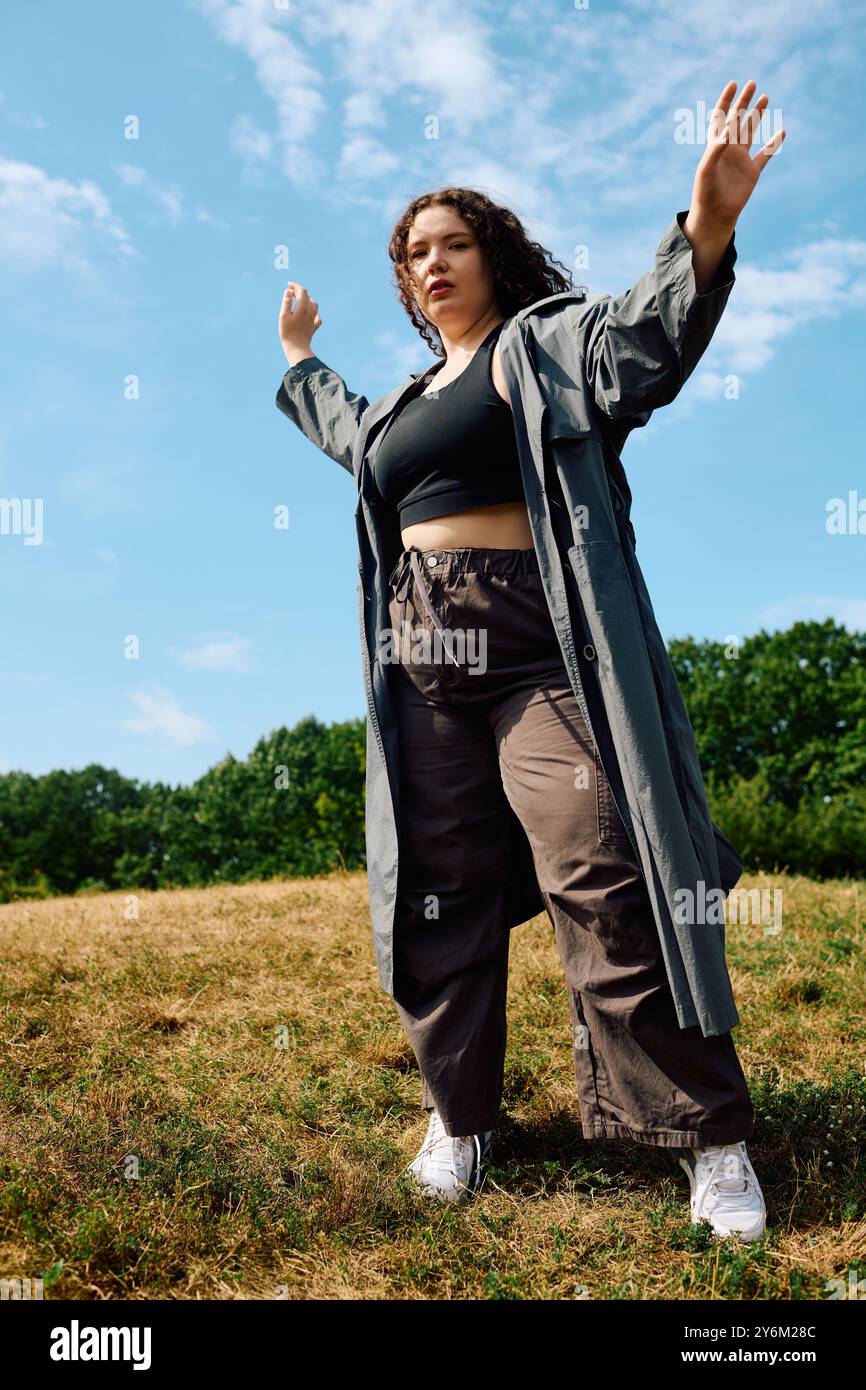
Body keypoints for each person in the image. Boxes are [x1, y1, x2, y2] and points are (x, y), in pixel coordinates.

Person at [276, 81, 785, 1241]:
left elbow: (636, 345)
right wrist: (301, 360)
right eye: (414, 252)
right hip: (421, 662)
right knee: (438, 891)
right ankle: (460, 1118)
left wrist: (703, 229)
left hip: (531, 645)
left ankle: (705, 1138)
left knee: (604, 868)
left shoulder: (535, 344)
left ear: (493, 255)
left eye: (453, 241)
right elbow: (348, 431)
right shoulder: (407, 399)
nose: (432, 261)